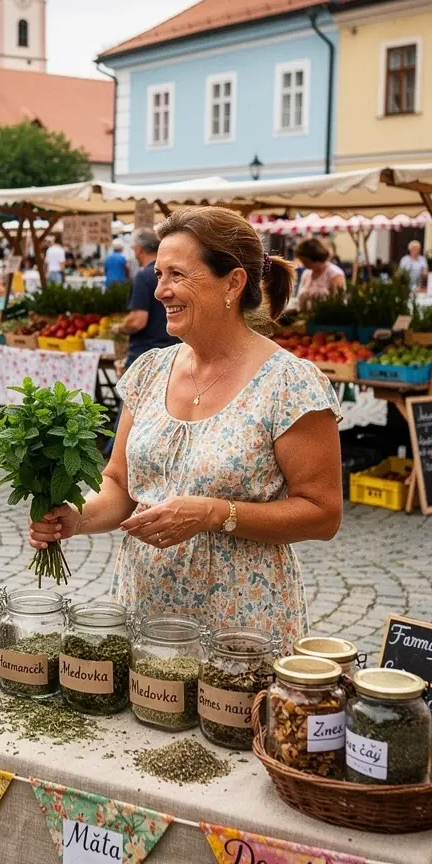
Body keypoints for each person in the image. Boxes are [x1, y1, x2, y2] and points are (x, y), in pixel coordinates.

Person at [30, 207, 342, 651]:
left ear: (232, 283)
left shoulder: (290, 384)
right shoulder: (150, 371)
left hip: (243, 621)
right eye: (158, 274)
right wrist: (73, 519)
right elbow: (119, 483)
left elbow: (323, 513)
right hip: (147, 611)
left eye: (176, 274)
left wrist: (215, 513)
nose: (159, 291)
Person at [105, 229, 179, 455]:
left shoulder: (145, 276)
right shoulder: (174, 274)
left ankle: (116, 456)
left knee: (131, 406)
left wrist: (120, 328)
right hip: (174, 349)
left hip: (145, 353)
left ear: (138, 249)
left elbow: (138, 320)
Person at [294, 236, 346, 311]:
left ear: (315, 258)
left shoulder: (335, 274)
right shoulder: (306, 274)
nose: (303, 263)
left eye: (305, 261)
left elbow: (338, 304)